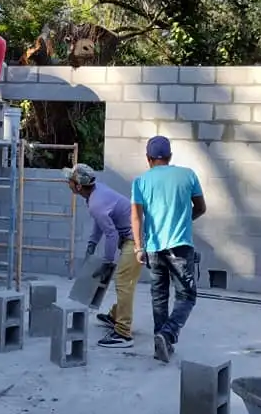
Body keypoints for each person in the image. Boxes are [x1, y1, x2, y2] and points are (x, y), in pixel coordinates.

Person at [130, 136, 206, 363]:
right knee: (187, 295)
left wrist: (137, 247)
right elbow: (201, 207)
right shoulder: (188, 175)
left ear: (148, 159)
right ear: (170, 156)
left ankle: (160, 345)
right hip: (180, 247)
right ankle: (167, 334)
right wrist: (184, 220)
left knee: (159, 298)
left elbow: (136, 215)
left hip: (153, 248)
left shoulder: (140, 181)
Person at [64, 163, 142, 348]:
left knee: (123, 283)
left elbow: (111, 234)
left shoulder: (96, 203)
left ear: (79, 186)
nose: (67, 182)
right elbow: (102, 222)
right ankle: (115, 316)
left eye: (70, 180)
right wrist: (92, 243)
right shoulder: (97, 193)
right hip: (133, 235)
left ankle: (123, 332)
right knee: (124, 281)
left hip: (138, 239)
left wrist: (108, 263)